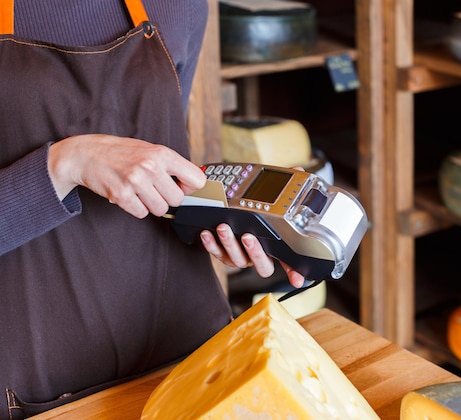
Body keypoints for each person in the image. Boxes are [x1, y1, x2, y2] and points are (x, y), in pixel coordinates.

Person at [0, 1, 304, 419]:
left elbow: (161, 170)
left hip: (189, 353)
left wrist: (221, 219)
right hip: (39, 384)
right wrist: (66, 164)